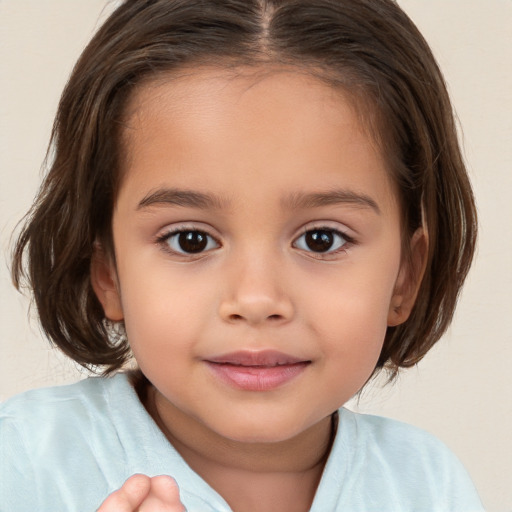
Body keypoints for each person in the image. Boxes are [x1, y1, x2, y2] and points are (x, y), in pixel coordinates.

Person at [0, 0, 484, 510]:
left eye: (322, 239)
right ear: (108, 274)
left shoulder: (426, 485)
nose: (256, 299)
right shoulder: (26, 462)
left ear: (405, 277)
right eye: (190, 240)